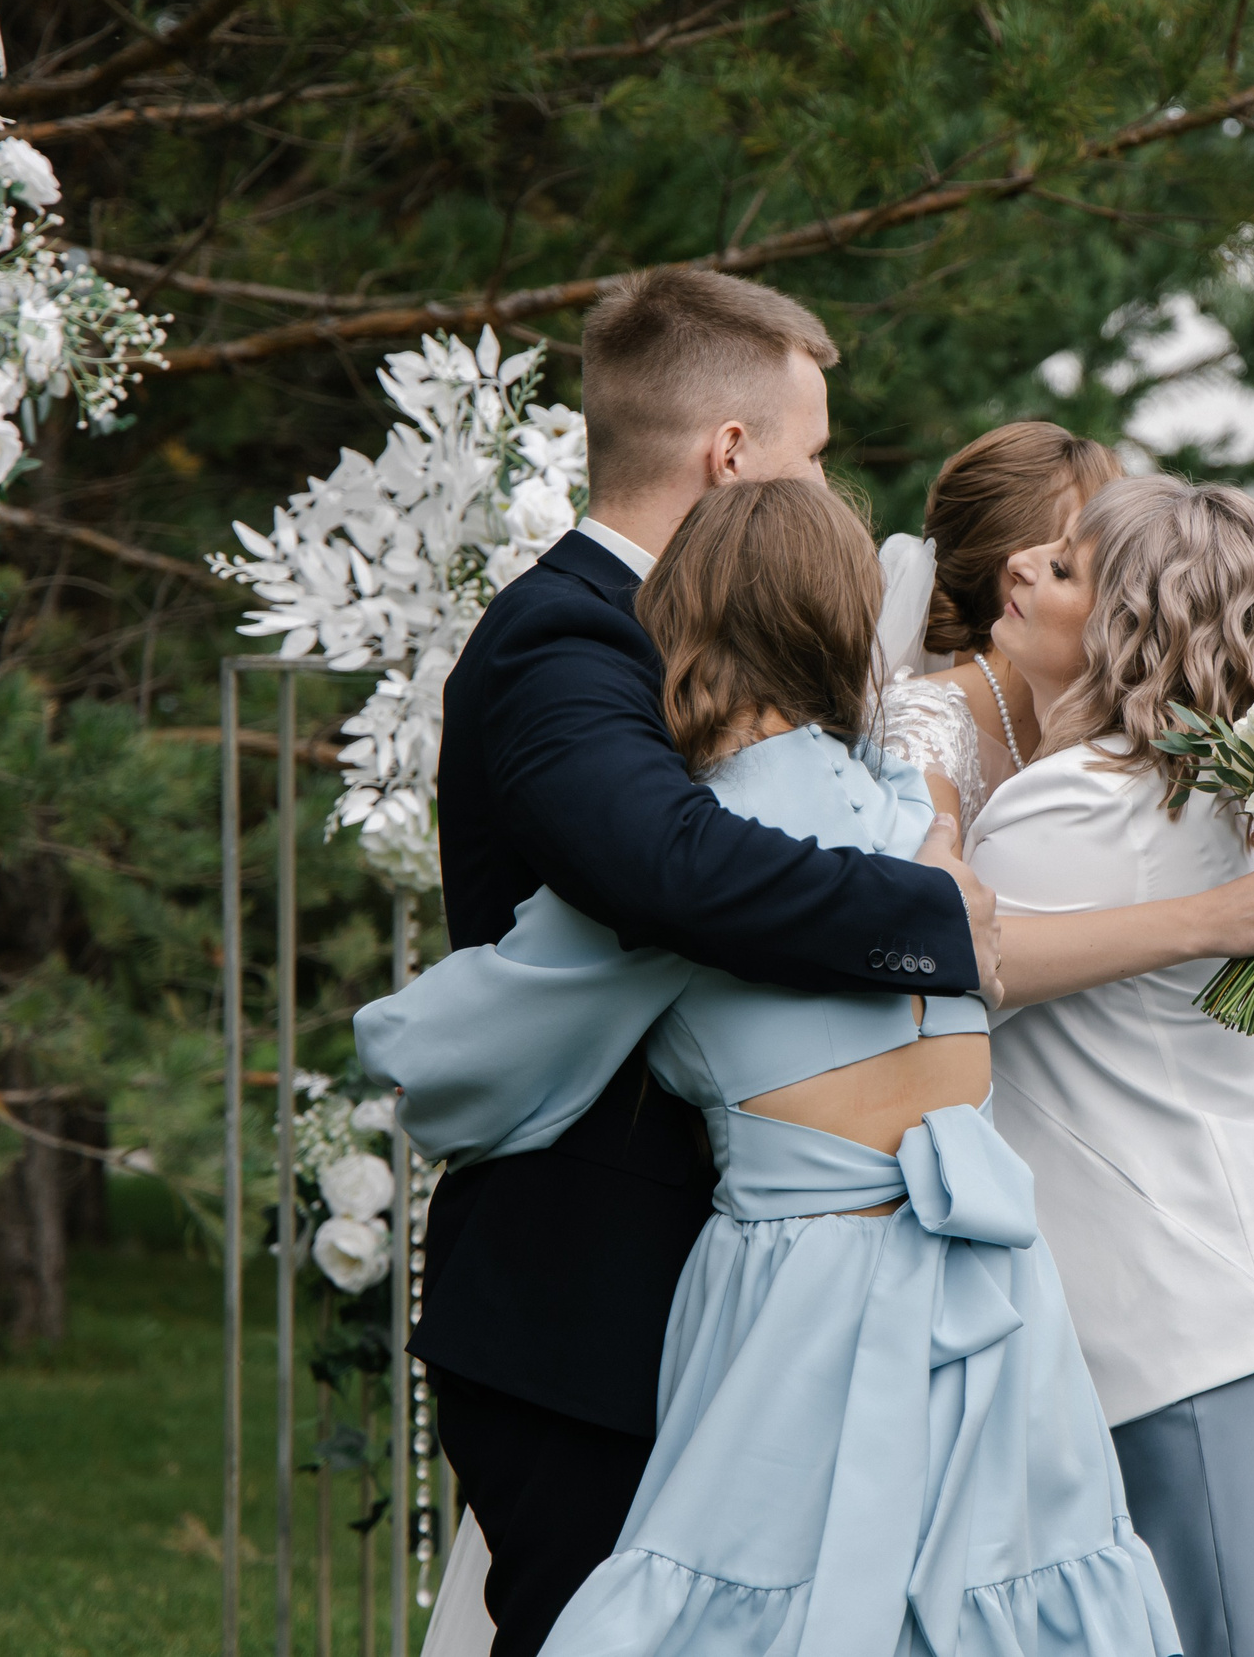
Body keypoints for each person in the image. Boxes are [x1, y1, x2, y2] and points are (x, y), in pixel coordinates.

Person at [366, 478, 1183, 1657]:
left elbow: (448, 1054)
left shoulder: (695, 871)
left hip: (800, 1301)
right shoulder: (922, 827)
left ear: (681, 616)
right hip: (998, 1304)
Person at [418, 267, 998, 1655]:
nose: (821, 484)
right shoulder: (565, 638)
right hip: (582, 1298)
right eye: (810, 453)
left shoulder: (693, 645)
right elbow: (666, 867)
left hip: (708, 1281)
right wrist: (937, 913)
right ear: (729, 456)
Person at [967, 475, 1254, 1657]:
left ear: (1123, 629)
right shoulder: (1247, 800)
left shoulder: (1063, 811)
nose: (1017, 571)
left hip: (1175, 1329)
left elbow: (947, 988)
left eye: (1060, 567)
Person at [879, 422, 1124, 830]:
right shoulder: (924, 723)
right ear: (1020, 571)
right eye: (1082, 554)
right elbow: (939, 894)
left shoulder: (1127, 711)